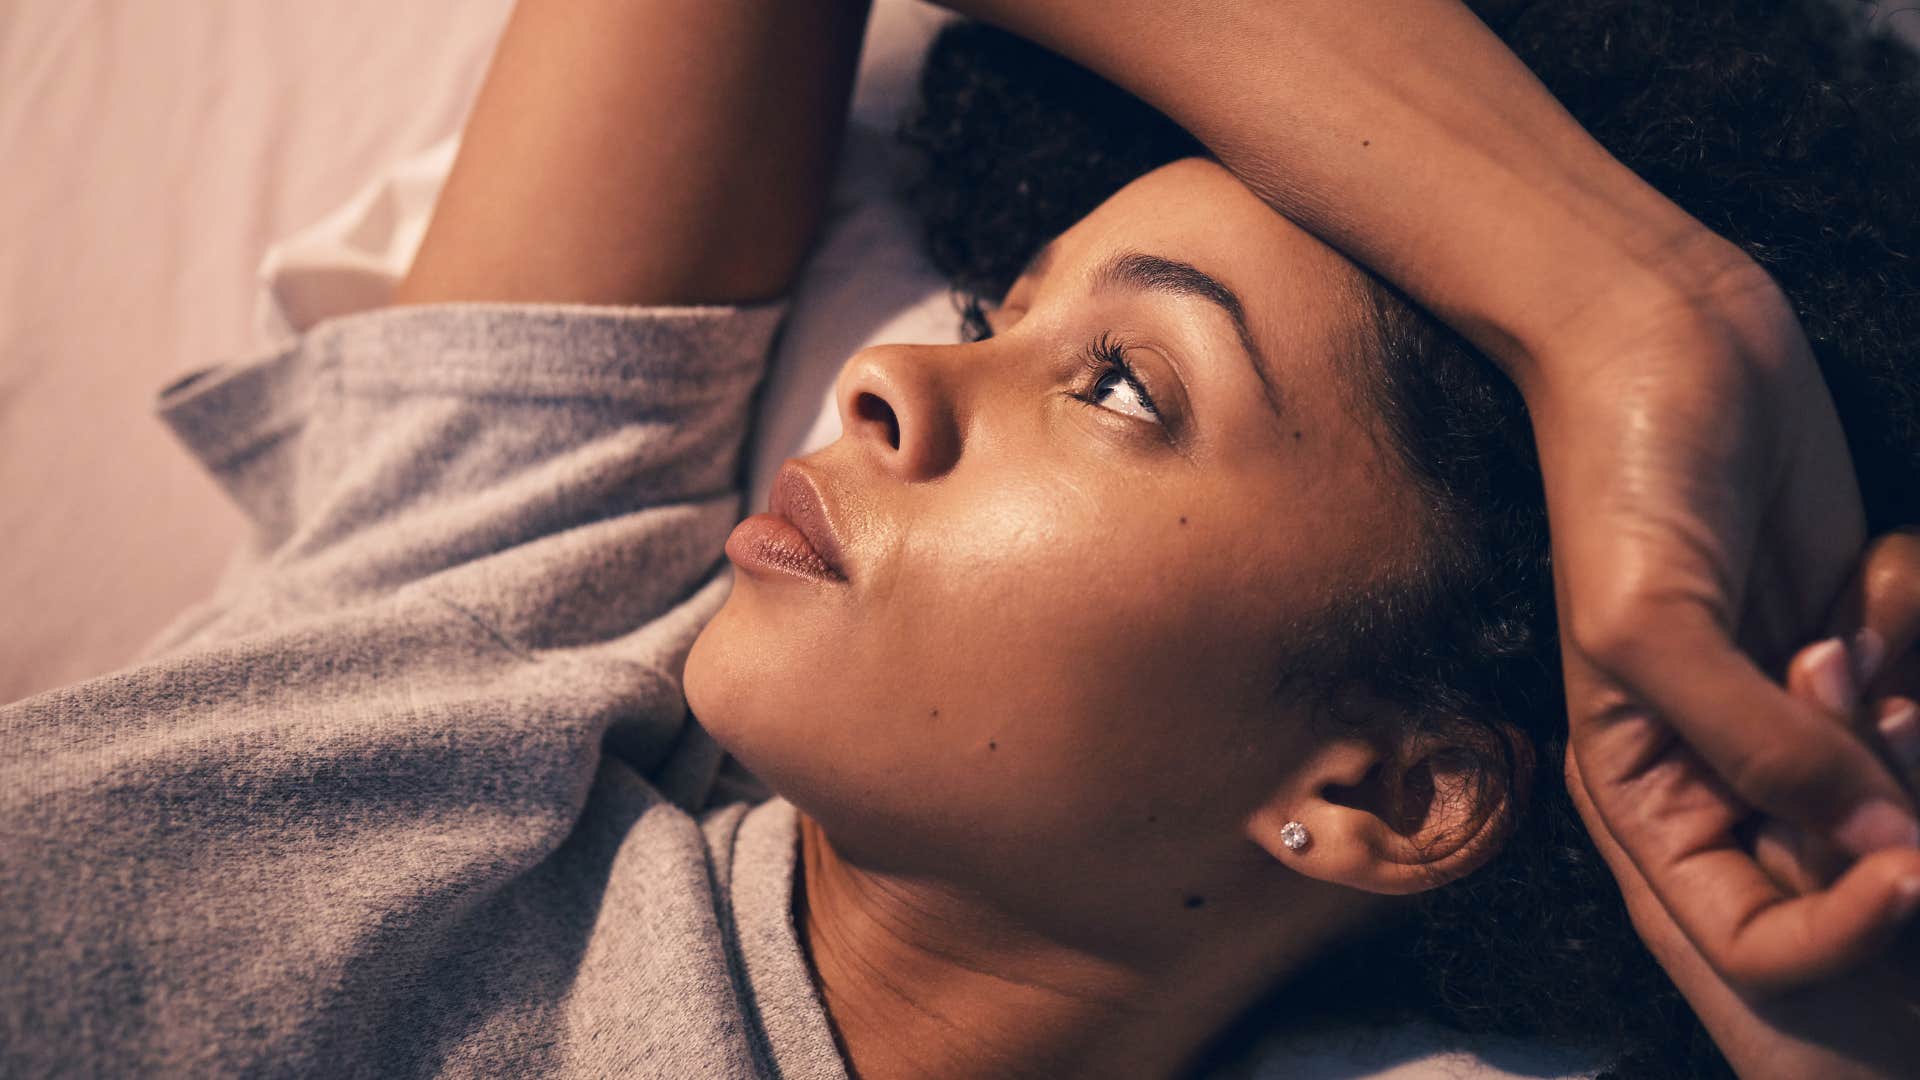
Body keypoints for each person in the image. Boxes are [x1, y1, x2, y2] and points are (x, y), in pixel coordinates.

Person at [1, 2, 1915, 1079]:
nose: (895, 377)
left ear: (1389, 790)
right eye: (1002, 309)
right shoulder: (500, 632)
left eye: (1124, 387)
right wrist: (1629, 302)